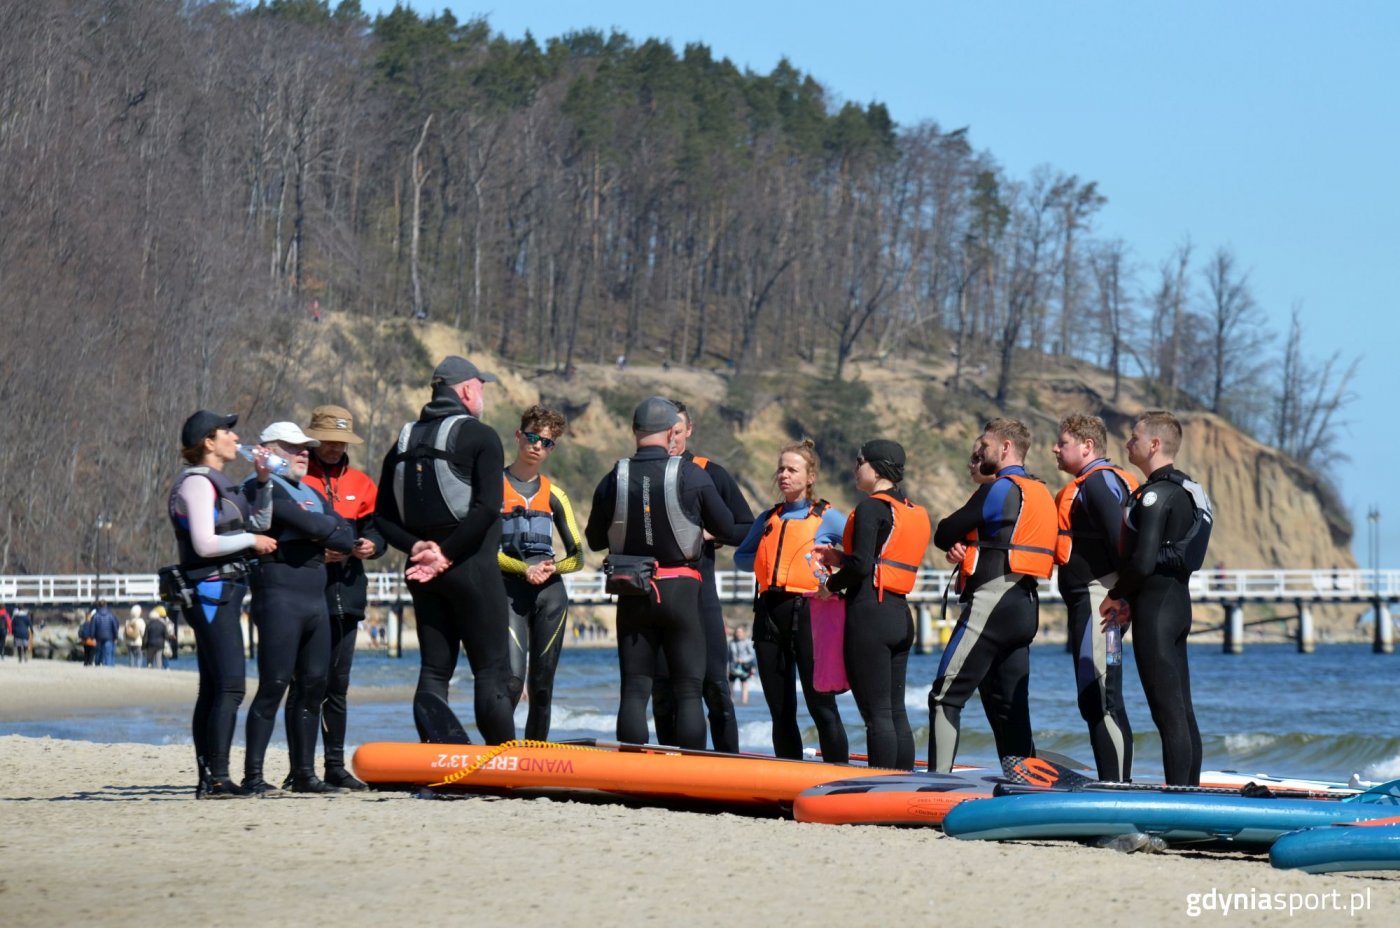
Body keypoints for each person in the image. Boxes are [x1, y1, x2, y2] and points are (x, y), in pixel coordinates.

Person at [584, 396, 747, 750]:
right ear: (671, 430)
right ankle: (688, 771)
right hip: (681, 592)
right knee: (689, 690)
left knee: (636, 688)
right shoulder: (692, 475)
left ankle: (632, 772)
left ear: (633, 430)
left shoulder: (615, 476)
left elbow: (595, 540)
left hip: (633, 592)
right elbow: (732, 529)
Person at [375, 356, 515, 745]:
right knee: (491, 670)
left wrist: (418, 547)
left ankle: (437, 757)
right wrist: (447, 554)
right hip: (471, 568)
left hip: (422, 573)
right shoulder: (481, 436)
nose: (483, 395)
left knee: (435, 669)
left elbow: (382, 518)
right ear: (467, 389)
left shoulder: (402, 441)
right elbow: (487, 508)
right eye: (481, 387)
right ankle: (502, 761)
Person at [929, 418, 1055, 773]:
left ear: (1004, 449)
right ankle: (1024, 782)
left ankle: (936, 786)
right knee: (1009, 706)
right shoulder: (1040, 491)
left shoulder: (998, 489)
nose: (979, 452)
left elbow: (944, 531)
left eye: (984, 446)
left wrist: (958, 540)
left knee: (944, 696)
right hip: (1026, 605)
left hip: (994, 600)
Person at [1099, 410, 1214, 786]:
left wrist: (1116, 595)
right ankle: (1189, 792)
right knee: (1183, 710)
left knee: (1168, 714)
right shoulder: (1190, 491)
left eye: (1134, 437)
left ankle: (1180, 799)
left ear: (1154, 444)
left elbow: (1143, 561)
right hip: (1178, 605)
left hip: (1155, 611)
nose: (1128, 443)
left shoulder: (1155, 495)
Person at [241, 421, 356, 795]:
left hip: (314, 599)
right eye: (292, 447)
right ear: (267, 450)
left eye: (305, 447)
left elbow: (346, 535)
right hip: (278, 596)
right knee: (274, 684)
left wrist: (321, 528)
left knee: (313, 687)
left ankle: (304, 774)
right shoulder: (258, 488)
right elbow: (306, 523)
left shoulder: (309, 491)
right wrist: (322, 528)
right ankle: (254, 776)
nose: (304, 453)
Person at [169, 409, 277, 798]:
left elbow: (260, 523)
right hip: (210, 592)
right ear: (208, 443)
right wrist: (249, 542)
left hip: (221, 592)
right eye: (226, 432)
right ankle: (217, 778)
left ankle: (210, 777)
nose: (235, 438)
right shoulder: (197, 484)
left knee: (214, 687)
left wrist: (263, 480)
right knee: (229, 686)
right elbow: (204, 544)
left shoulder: (218, 483)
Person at [813, 440, 930, 771]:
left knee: (876, 713)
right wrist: (841, 558)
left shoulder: (869, 508)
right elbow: (874, 558)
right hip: (899, 615)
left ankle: (880, 786)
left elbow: (863, 566)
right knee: (896, 710)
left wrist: (830, 585)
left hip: (870, 615)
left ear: (877, 468)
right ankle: (903, 785)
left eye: (860, 461)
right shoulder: (911, 510)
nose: (855, 468)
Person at [733, 439, 849, 762]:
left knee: (821, 706)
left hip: (811, 615)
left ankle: (837, 773)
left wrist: (833, 570)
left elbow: (858, 557)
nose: (784, 474)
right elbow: (741, 558)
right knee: (781, 710)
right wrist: (769, 559)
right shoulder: (768, 518)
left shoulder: (828, 517)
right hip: (769, 615)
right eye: (781, 469)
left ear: (809, 476)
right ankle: (790, 776)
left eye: (792, 469)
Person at [652, 401, 754, 752]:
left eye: (677, 432)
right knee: (664, 691)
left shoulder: (711, 472)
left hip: (701, 594)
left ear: (689, 430)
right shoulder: (642, 473)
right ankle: (670, 765)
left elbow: (747, 527)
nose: (671, 440)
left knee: (716, 687)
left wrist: (711, 534)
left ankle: (728, 763)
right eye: (665, 433)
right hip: (657, 597)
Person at [301, 404, 387, 790]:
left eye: (342, 442)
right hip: (306, 595)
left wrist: (373, 545)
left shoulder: (363, 483)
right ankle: (300, 769)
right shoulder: (298, 479)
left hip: (349, 596)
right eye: (328, 441)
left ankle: (334, 765)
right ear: (314, 439)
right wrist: (315, 555)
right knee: (307, 683)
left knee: (338, 685)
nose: (335, 448)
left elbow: (378, 530)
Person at [1051, 414, 1138, 782]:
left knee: (1101, 695)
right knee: (1101, 695)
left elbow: (1121, 540)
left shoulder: (1098, 483)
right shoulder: (1098, 482)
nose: (1055, 449)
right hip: (1101, 603)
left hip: (1099, 602)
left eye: (1063, 443)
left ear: (1087, 447)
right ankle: (1114, 782)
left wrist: (1121, 594)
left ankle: (1118, 787)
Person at [498, 405, 585, 740]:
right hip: (508, 590)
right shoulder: (493, 486)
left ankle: (535, 755)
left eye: (546, 442)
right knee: (512, 681)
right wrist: (524, 568)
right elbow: (485, 550)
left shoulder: (556, 494)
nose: (537, 446)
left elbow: (577, 556)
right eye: (532, 437)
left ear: (553, 448)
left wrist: (548, 569)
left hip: (549, 593)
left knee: (542, 685)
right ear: (519, 436)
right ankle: (500, 752)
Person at [726, 626, 756, 705]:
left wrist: (743, 660)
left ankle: (744, 702)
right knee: (730, 684)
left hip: (744, 666)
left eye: (740, 632)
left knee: (744, 683)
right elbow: (728, 656)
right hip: (733, 667)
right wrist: (727, 668)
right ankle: (731, 701)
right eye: (737, 632)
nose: (739, 634)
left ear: (743, 633)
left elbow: (752, 655)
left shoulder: (747, 642)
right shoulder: (731, 642)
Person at [90, 600, 120, 667]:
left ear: (98, 606)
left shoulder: (95, 616)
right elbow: (114, 627)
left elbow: (92, 628)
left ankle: (97, 665)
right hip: (109, 637)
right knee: (108, 654)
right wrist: (116, 637)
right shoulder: (111, 615)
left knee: (98, 653)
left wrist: (92, 637)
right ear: (106, 605)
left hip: (98, 637)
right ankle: (108, 667)